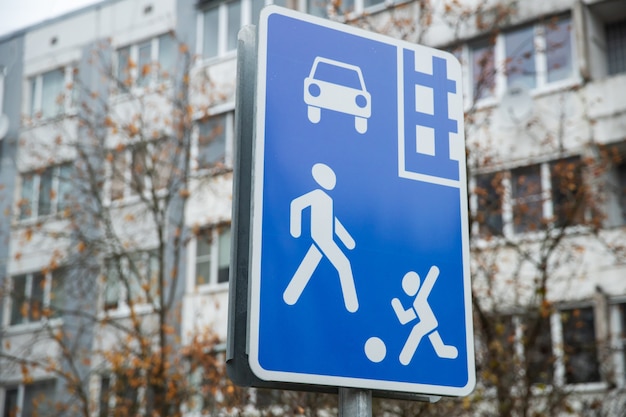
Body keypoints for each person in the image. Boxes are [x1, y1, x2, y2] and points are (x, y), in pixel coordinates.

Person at [283, 163, 358, 313]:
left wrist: (348, 241)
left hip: (323, 239)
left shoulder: (328, 200)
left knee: (309, 264)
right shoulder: (316, 195)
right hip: (320, 238)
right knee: (344, 264)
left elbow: (333, 222)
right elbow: (297, 205)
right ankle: (352, 305)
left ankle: (290, 295)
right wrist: (295, 230)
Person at [391, 266, 458, 364]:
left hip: (429, 322)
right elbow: (405, 318)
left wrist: (433, 271)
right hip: (428, 323)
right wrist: (397, 306)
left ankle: (405, 358)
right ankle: (444, 350)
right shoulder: (415, 303)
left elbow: (429, 281)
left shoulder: (420, 297)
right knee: (435, 341)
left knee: (416, 331)